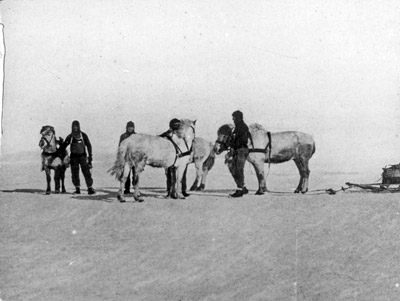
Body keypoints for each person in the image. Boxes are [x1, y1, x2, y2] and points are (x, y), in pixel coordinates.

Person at [61, 120, 95, 195]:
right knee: (75, 173)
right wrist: (62, 149)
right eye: (74, 127)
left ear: (79, 127)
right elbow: (64, 146)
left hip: (82, 156)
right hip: (73, 158)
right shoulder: (70, 137)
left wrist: (90, 156)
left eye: (76, 126)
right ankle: (77, 188)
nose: (75, 128)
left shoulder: (83, 135)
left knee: (86, 172)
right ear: (72, 127)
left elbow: (89, 145)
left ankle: (90, 188)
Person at [229, 110, 250, 197]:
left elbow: (242, 140)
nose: (232, 119)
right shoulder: (238, 127)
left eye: (234, 117)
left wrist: (232, 144)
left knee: (238, 169)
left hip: (241, 150)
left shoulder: (242, 127)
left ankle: (240, 190)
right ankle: (243, 188)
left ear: (238, 117)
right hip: (238, 149)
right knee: (234, 169)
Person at [119, 121, 137, 194]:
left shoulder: (137, 136)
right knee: (126, 174)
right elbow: (120, 147)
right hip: (126, 158)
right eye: (129, 127)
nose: (130, 128)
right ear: (127, 127)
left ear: (133, 128)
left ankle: (136, 188)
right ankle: (127, 189)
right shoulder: (123, 136)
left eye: (131, 127)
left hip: (135, 158)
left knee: (135, 174)